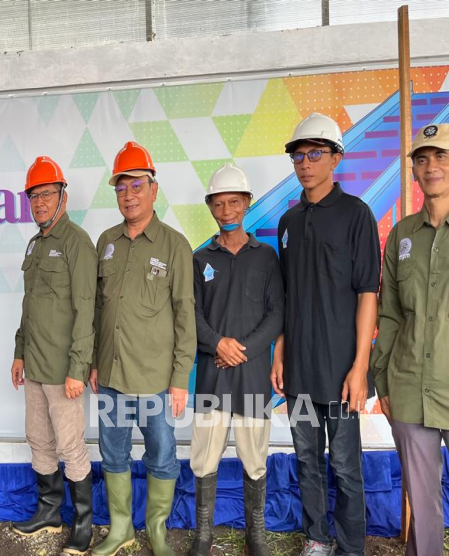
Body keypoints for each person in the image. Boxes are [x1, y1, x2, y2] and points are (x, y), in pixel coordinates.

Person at [271, 113, 380, 556]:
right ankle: (318, 539)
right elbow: (284, 298)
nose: (305, 162)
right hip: (298, 371)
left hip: (340, 371)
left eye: (315, 153)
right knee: (307, 461)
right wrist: (280, 355)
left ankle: (351, 546)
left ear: (336, 157)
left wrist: (360, 367)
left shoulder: (357, 214)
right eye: (299, 155)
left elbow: (367, 294)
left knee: (346, 466)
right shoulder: (288, 223)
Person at [90, 141, 196, 556]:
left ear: (154, 190)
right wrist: (96, 363)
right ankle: (121, 530)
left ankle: (156, 529)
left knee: (162, 454)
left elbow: (185, 316)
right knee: (112, 452)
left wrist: (179, 380)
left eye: (136, 185)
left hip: (155, 378)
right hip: (112, 375)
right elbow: (99, 309)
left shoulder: (174, 245)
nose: (128, 195)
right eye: (121, 187)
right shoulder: (106, 242)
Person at [190, 164, 283, 556]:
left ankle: (255, 535)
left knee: (255, 461)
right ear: (210, 206)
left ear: (246, 203)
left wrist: (240, 349)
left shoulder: (266, 257)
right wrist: (217, 344)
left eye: (234, 201)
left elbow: (277, 312)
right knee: (203, 460)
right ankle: (204, 535)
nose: (226, 210)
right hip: (212, 377)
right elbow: (190, 315)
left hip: (252, 376)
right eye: (218, 202)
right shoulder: (199, 258)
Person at [10, 156, 97, 555]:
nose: (39, 202)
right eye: (33, 196)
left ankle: (83, 523)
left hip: (64, 371)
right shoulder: (35, 243)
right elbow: (30, 306)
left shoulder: (77, 242)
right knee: (38, 439)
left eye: (46, 193)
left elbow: (86, 311)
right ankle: (48, 510)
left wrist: (79, 368)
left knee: (70, 445)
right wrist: (19, 351)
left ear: (63, 195)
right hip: (35, 367)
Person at [370, 123, 449, 556]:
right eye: (422, 159)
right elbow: (391, 313)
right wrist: (381, 379)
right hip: (408, 384)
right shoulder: (401, 235)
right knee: (423, 501)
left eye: (440, 156)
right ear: (414, 172)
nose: (431, 166)